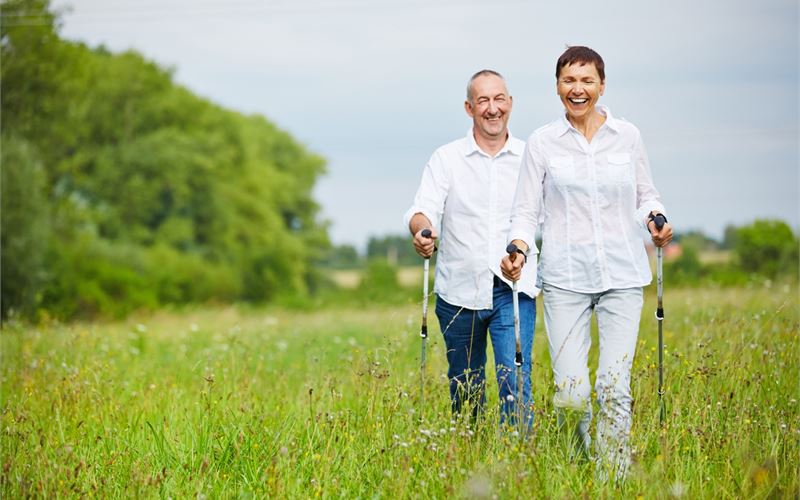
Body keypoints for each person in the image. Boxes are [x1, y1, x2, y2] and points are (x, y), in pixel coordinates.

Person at [500, 46, 672, 478]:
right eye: (568, 81)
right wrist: (517, 248)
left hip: (621, 275)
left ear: (602, 85)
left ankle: (611, 477)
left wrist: (656, 218)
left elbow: (644, 195)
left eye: (586, 81)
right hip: (565, 280)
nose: (578, 90)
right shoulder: (542, 143)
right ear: (557, 86)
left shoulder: (627, 136)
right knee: (572, 392)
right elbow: (524, 210)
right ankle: (578, 464)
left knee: (614, 387)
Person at [404, 69, 539, 428]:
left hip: (513, 288)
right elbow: (422, 210)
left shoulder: (531, 156)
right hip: (459, 290)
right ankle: (468, 456)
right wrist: (423, 232)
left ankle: (518, 462)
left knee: (514, 379)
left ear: (510, 103)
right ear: (469, 108)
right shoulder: (446, 158)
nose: (492, 109)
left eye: (499, 99)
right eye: (483, 101)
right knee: (466, 386)